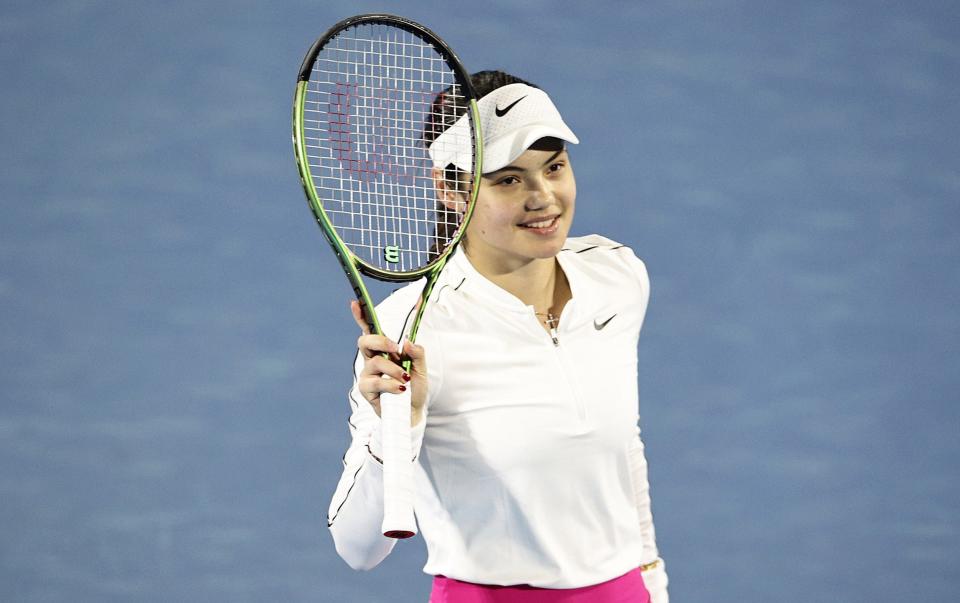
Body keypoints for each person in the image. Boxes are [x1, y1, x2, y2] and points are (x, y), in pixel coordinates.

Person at [328, 70, 670, 603]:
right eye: (509, 179)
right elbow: (357, 548)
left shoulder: (616, 279)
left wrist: (652, 583)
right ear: (449, 187)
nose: (543, 197)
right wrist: (396, 425)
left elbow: (623, 452)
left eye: (554, 167)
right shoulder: (409, 328)